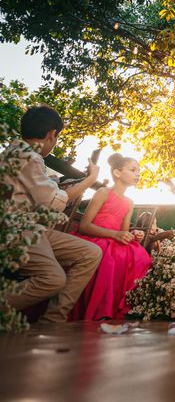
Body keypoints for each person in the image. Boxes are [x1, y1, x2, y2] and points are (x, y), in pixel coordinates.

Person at [2, 106, 103, 322]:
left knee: (90, 253)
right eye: (57, 137)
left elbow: (45, 191)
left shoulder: (16, 153)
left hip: (34, 229)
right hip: (16, 232)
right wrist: (90, 180)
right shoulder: (28, 157)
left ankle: (53, 320)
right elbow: (53, 203)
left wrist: (62, 183)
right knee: (53, 279)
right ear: (51, 134)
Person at [68, 154, 152, 320]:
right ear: (117, 173)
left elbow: (124, 231)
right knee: (110, 258)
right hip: (95, 238)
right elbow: (85, 226)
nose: (138, 174)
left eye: (139, 171)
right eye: (133, 170)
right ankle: (100, 310)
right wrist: (116, 235)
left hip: (114, 240)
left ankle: (124, 306)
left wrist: (134, 235)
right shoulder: (103, 192)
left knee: (140, 256)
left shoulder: (129, 202)